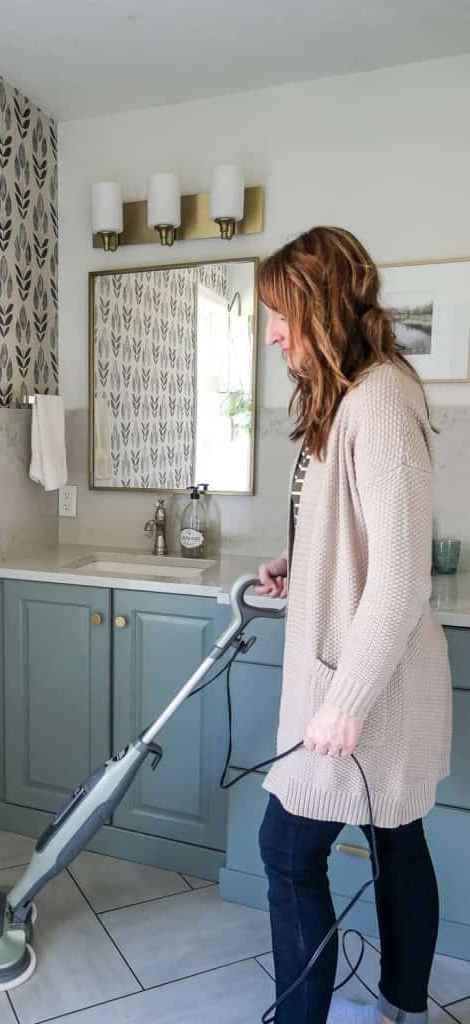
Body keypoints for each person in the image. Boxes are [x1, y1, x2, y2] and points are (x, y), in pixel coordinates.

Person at [253, 226, 452, 1024]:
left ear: (321, 305)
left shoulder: (380, 401)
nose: (271, 332)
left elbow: (401, 578)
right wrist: (304, 564)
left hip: (368, 691)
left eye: (280, 313)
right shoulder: (358, 395)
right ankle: (402, 1007)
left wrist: (347, 700)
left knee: (286, 851)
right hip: (362, 684)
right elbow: (365, 540)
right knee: (396, 842)